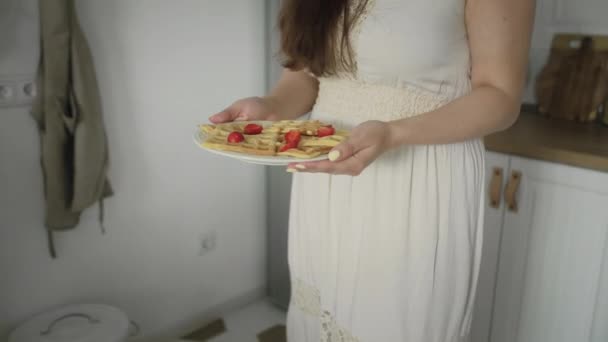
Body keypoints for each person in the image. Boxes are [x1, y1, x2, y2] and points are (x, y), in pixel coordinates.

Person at [210, 0, 534, 341]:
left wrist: (395, 133)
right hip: (328, 179)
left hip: (418, 178)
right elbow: (306, 77)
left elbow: (500, 97)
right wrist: (270, 106)